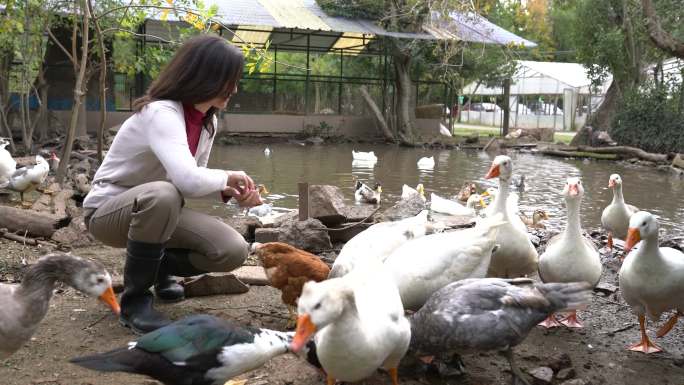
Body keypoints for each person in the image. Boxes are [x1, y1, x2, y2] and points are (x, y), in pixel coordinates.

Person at [82, 35, 262, 334]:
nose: (235, 88)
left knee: (233, 250)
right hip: (107, 213)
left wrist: (228, 191)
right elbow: (186, 181)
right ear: (206, 77)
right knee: (163, 194)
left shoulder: (208, 121)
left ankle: (159, 268)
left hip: (160, 210)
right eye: (230, 80)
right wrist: (227, 175)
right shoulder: (160, 112)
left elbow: (195, 178)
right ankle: (135, 301)